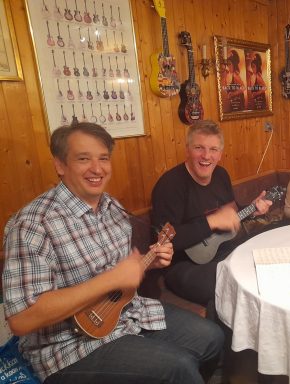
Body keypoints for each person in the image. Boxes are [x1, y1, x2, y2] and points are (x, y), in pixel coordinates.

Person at [2, 122, 224, 384]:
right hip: (69, 347)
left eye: (103, 159)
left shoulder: (113, 208)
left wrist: (148, 264)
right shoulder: (32, 224)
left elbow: (121, 278)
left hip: (128, 314)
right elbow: (22, 319)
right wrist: (113, 278)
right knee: (179, 367)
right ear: (60, 165)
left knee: (213, 338)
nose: (97, 169)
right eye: (84, 159)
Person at [151, 120, 272, 311]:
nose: (206, 156)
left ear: (220, 154)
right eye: (199, 147)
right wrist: (212, 221)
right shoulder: (170, 185)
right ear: (188, 149)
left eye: (213, 149)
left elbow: (230, 214)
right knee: (233, 282)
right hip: (182, 266)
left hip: (220, 251)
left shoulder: (221, 175)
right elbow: (164, 240)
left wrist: (251, 210)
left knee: (264, 261)